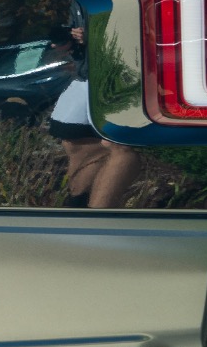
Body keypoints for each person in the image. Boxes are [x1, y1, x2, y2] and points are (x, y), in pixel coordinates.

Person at [47, 20, 142, 208]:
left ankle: (84, 218)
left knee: (105, 148)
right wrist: (75, 41)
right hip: (97, 84)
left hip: (93, 86)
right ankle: (89, 220)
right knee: (112, 149)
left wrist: (86, 38)